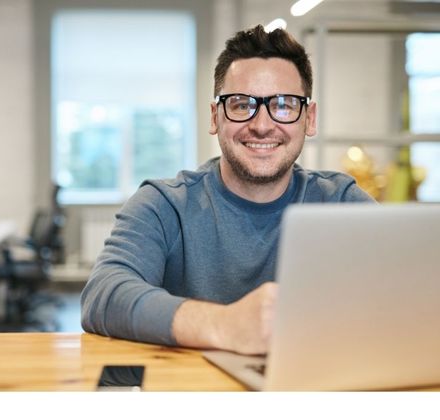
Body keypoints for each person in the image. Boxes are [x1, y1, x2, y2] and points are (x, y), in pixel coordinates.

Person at [80, 24, 375, 355]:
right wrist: (224, 325)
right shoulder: (164, 205)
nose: (262, 126)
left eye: (284, 105)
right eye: (240, 104)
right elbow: (104, 295)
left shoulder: (341, 203)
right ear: (215, 116)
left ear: (309, 118)